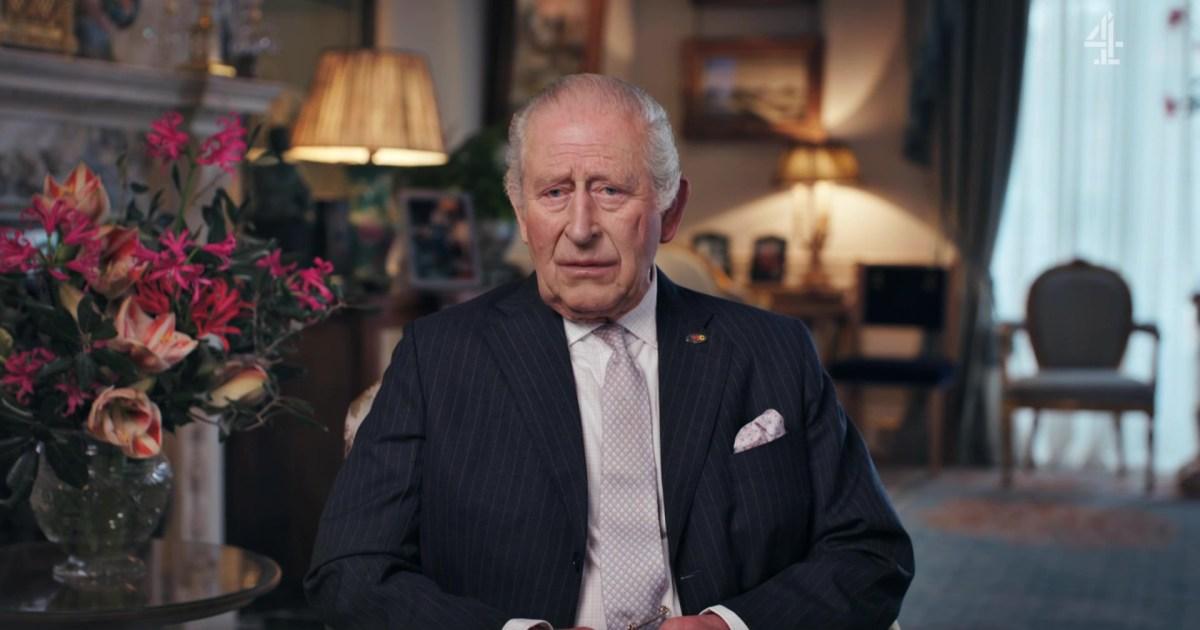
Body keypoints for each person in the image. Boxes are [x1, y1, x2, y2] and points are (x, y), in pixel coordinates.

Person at [306, 74, 914, 630]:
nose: (580, 228)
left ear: (670, 210)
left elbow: (871, 552)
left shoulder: (773, 349)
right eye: (553, 192)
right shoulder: (438, 356)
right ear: (521, 211)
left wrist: (730, 626)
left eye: (610, 190)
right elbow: (350, 570)